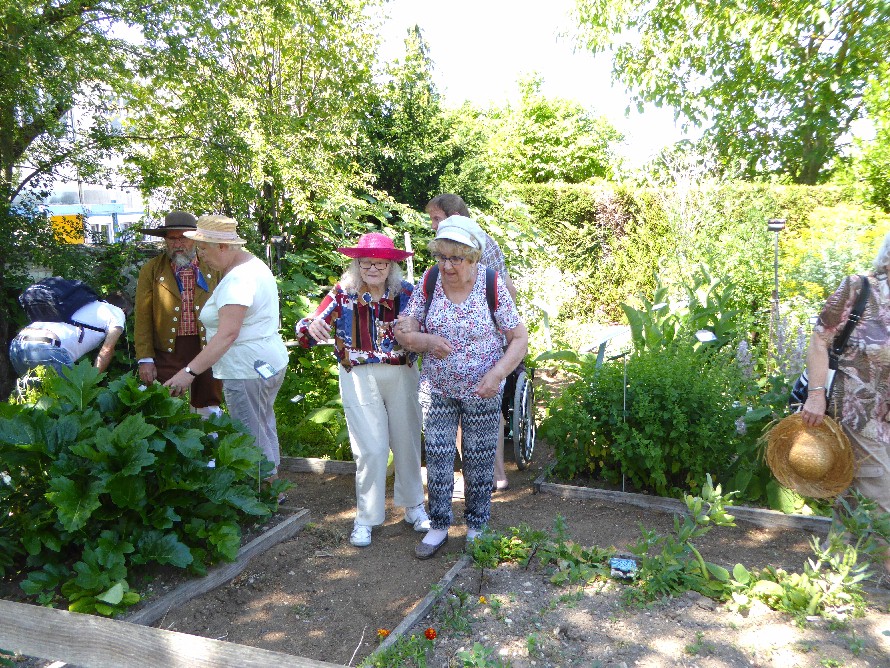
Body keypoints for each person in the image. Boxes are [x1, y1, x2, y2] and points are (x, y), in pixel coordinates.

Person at [396, 216, 528, 559]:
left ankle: (477, 526)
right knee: (438, 455)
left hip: (483, 389)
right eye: (442, 257)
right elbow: (407, 327)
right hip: (439, 388)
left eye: (456, 258)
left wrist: (497, 375)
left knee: (479, 458)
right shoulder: (430, 280)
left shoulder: (491, 284)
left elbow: (518, 338)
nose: (447, 266)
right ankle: (439, 526)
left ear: (473, 258)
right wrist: (418, 337)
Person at [294, 233, 430, 548]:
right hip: (358, 374)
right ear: (357, 265)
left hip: (402, 371)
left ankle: (414, 506)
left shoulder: (407, 293)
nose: (373, 269)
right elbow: (309, 327)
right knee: (371, 449)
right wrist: (309, 327)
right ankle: (366, 518)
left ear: (391, 266)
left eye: (380, 264)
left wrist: (416, 330)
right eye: (367, 263)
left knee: (408, 441)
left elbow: (428, 326)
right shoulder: (343, 293)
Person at [163, 215, 288, 481]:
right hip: (266, 362)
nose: (200, 256)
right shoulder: (253, 265)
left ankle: (264, 493)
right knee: (263, 424)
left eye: (203, 249)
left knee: (250, 433)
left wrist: (189, 372)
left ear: (222, 246)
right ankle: (273, 486)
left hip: (245, 369)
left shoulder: (238, 280)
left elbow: (227, 334)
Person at [800, 231, 890, 577]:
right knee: (880, 489)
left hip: (883, 414)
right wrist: (815, 395)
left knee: (853, 489)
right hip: (852, 407)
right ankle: (885, 571)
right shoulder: (858, 288)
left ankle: (831, 565)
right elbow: (819, 341)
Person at [425, 194, 519, 492]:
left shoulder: (478, 244)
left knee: (487, 408)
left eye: (436, 218)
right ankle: (482, 473)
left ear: (453, 216)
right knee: (467, 413)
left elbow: (504, 288)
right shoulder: (444, 257)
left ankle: (492, 472)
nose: (433, 225)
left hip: (488, 338)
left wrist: (501, 330)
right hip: (451, 368)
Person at [135, 211, 223, 417]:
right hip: (167, 348)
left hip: (206, 345)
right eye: (172, 239)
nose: (178, 244)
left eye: (183, 238)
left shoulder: (214, 267)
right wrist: (145, 358)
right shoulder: (151, 270)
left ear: (195, 239)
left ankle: (209, 436)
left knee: (207, 399)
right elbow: (142, 317)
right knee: (161, 399)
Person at [10, 291, 131, 377]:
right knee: (69, 400)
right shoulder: (117, 312)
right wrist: (91, 381)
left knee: (35, 400)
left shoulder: (85, 303)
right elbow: (107, 350)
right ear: (124, 310)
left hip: (18, 344)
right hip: (47, 348)